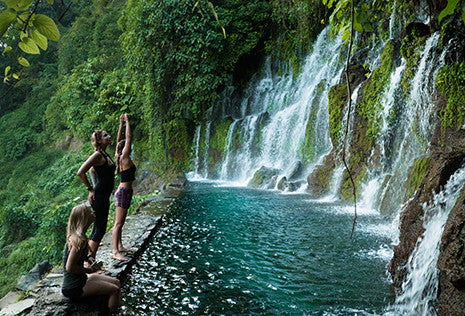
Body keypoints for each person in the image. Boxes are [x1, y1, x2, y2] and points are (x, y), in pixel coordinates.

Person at [62, 204, 121, 311]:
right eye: (90, 211)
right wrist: (89, 270)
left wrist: (89, 259)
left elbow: (79, 257)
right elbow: (69, 267)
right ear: (84, 218)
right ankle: (115, 312)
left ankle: (117, 308)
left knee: (116, 282)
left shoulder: (80, 236)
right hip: (75, 287)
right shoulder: (78, 241)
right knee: (115, 290)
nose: (93, 212)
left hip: (81, 280)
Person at [77, 129, 116, 260]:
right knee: (99, 228)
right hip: (99, 196)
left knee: (100, 227)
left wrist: (95, 185)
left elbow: (93, 171)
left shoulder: (103, 154)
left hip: (103, 195)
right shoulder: (97, 155)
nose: (109, 137)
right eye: (105, 136)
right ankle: (90, 262)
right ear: (99, 140)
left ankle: (90, 259)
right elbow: (81, 172)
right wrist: (91, 189)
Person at [112, 114, 136, 261]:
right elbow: (128, 138)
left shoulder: (118, 155)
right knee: (118, 223)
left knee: (121, 223)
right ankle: (115, 252)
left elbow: (118, 141)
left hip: (123, 191)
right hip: (123, 192)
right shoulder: (124, 157)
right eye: (127, 146)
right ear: (125, 149)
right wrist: (127, 122)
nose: (129, 146)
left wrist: (120, 124)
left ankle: (119, 246)